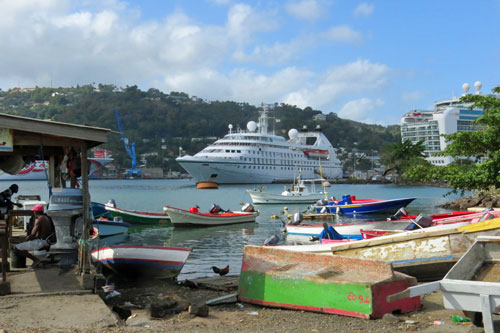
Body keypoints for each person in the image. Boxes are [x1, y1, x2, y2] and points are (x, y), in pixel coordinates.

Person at [14, 204, 55, 268]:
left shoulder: (39, 220)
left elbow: (32, 235)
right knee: (24, 246)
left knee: (16, 248)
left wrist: (25, 239)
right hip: (47, 241)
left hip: (41, 242)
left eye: (34, 211)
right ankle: (35, 260)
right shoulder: (46, 218)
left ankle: (36, 260)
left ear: (36, 212)